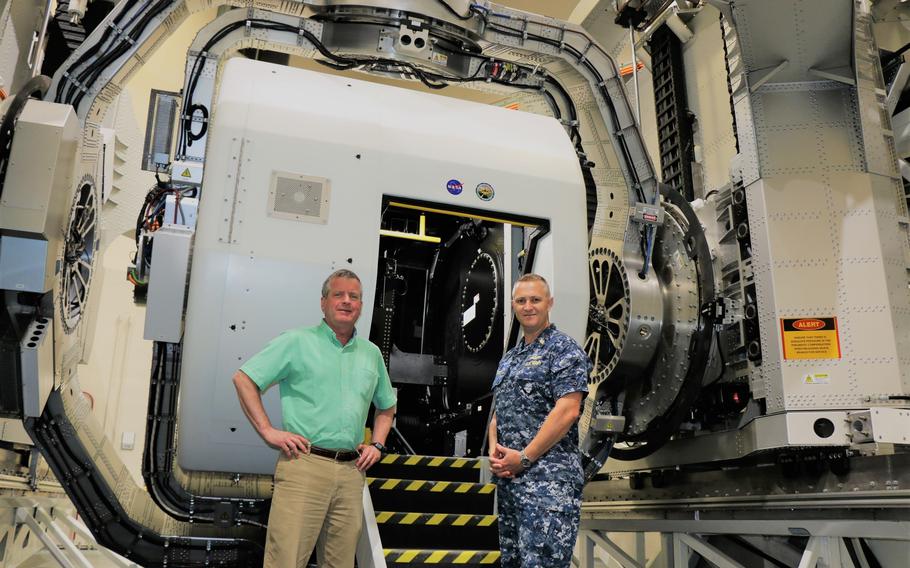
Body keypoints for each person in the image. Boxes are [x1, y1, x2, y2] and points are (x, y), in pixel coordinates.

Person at [232, 269, 397, 568]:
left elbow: (386, 407)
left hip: (351, 474)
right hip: (304, 466)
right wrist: (269, 431)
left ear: (361, 305)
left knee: (340, 564)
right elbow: (244, 379)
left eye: (354, 297)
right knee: (286, 560)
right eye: (339, 295)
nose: (347, 302)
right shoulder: (296, 341)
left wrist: (378, 444)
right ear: (323, 303)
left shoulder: (371, 354)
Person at [487, 273, 592, 568]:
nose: (528, 306)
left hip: (548, 485)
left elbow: (568, 410)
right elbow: (500, 410)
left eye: (535, 299)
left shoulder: (563, 349)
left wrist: (524, 457)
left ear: (549, 303)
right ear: (513, 305)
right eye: (521, 300)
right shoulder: (510, 358)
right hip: (510, 482)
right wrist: (495, 449)